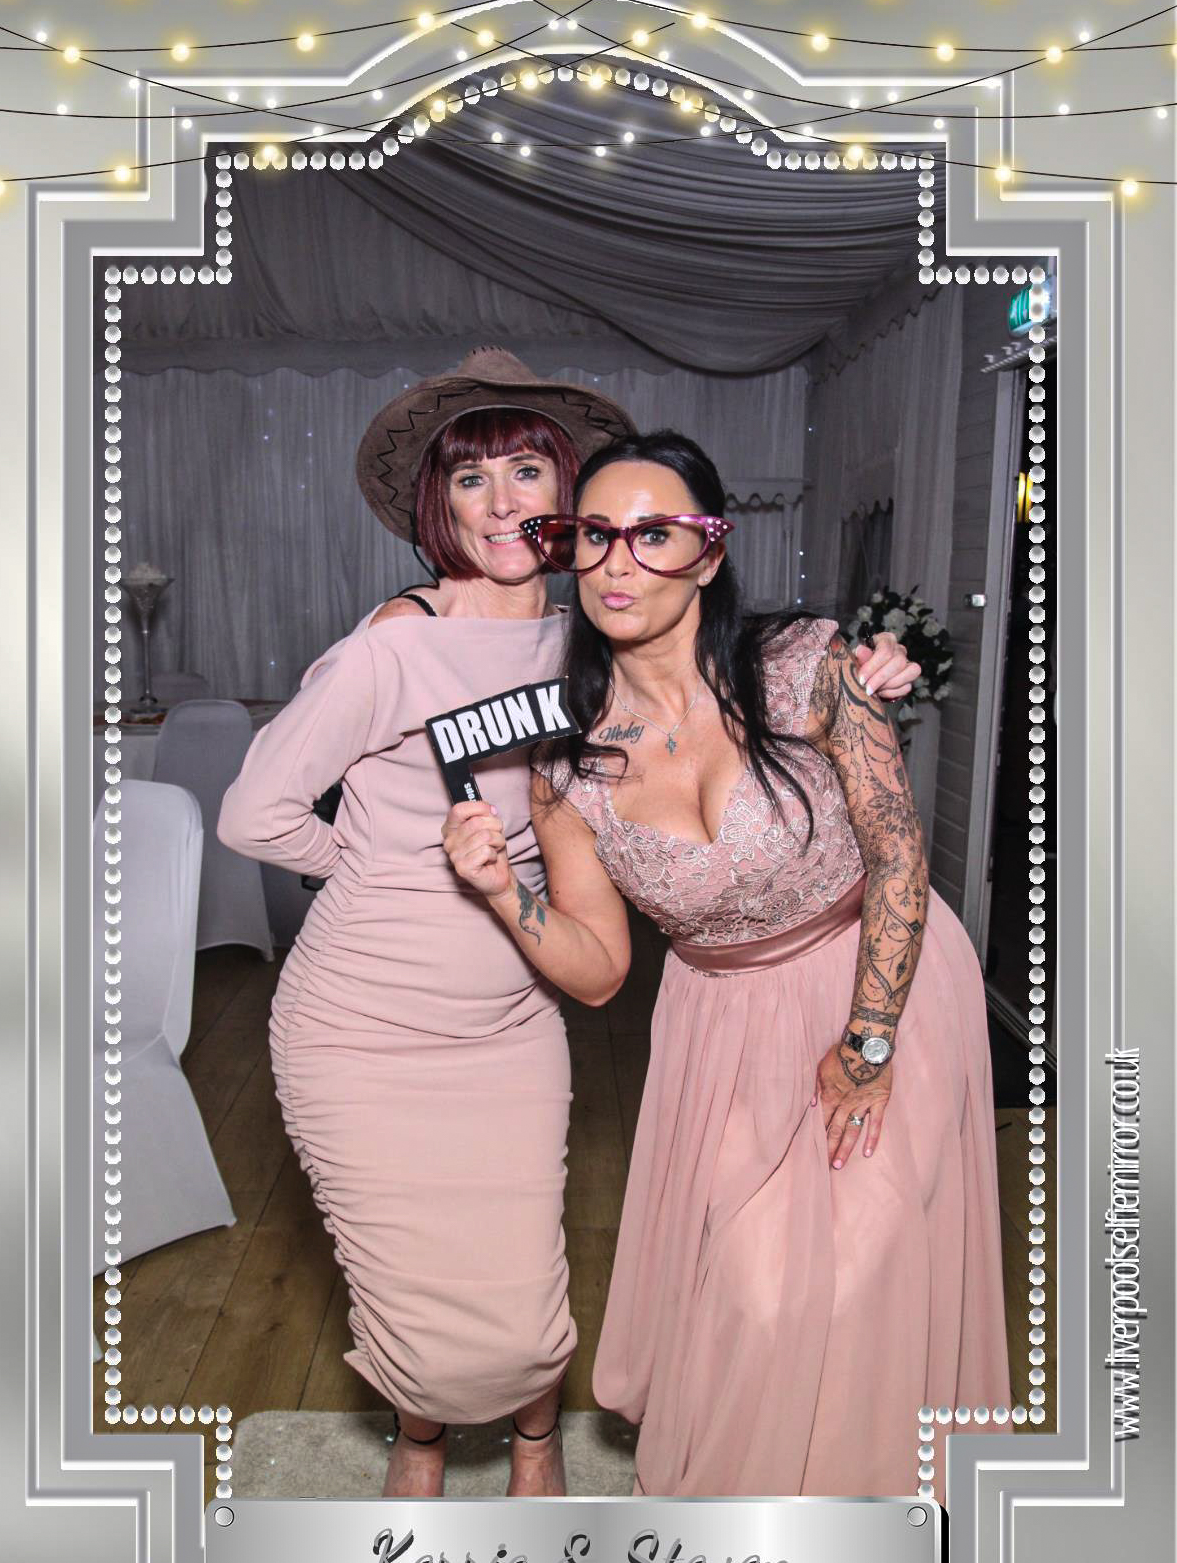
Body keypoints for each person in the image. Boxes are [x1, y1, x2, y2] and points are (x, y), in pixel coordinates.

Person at [218, 351, 919, 1500]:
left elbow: (712, 690)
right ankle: (421, 1440)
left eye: (527, 472)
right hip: (362, 1022)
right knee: (407, 1279)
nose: (502, 503)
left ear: (567, 499)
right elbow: (254, 813)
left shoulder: (589, 637)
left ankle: (537, 1445)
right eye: (471, 480)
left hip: (510, 1015)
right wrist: (377, 871)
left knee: (522, 1273)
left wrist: (856, 675)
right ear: (439, 508)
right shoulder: (393, 644)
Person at [441, 428, 1013, 1505]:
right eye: (593, 535)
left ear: (709, 553)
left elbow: (898, 853)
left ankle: (866, 1521)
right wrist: (502, 893)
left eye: (652, 534)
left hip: (882, 977)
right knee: (757, 1290)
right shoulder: (569, 760)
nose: (616, 562)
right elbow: (599, 969)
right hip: (725, 1025)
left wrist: (869, 1042)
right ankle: (744, 1531)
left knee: (862, 1273)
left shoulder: (808, 669)